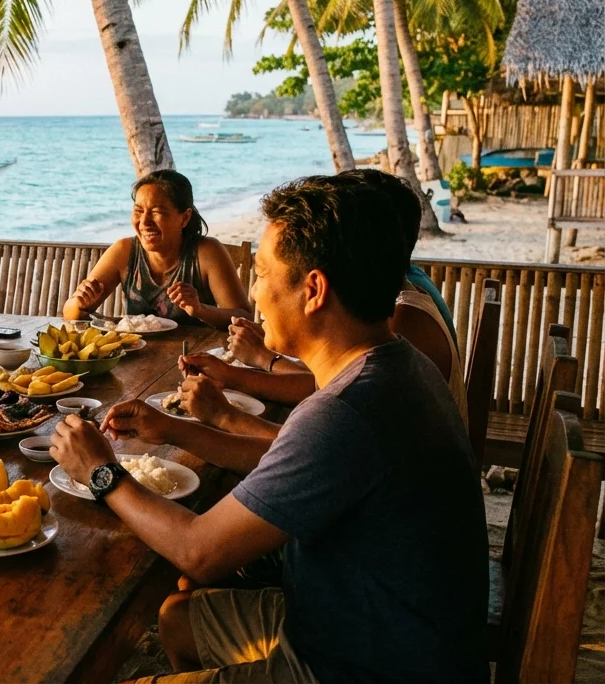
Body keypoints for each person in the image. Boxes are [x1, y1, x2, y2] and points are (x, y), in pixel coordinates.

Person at [51, 178, 488, 682]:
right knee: (177, 620)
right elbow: (287, 461)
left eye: (260, 274)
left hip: (358, 665)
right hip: (362, 624)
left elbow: (200, 551)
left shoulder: (345, 409)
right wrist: (178, 429)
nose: (254, 292)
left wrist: (102, 471)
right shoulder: (392, 365)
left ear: (314, 290)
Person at [180, 170, 466, 423]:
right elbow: (326, 382)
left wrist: (230, 403)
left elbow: (324, 396)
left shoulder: (402, 319)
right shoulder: (398, 292)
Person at [62, 170, 251, 327]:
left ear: (184, 218)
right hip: (137, 359)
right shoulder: (123, 251)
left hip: (194, 361)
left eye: (157, 212)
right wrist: (80, 303)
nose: (144, 222)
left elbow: (244, 317)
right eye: (138, 211)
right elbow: (70, 312)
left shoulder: (206, 252)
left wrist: (200, 309)